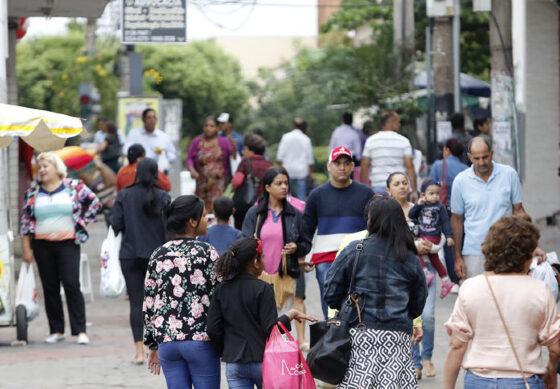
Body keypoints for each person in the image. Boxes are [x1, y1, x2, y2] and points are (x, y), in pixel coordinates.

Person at [444, 216, 560, 389]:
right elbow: (555, 346)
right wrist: (550, 372)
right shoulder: (540, 291)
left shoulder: (471, 288)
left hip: (479, 381)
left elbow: (457, 345)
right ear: (528, 256)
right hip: (524, 380)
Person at [324, 197, 427, 388]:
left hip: (360, 335)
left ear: (372, 220)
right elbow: (418, 303)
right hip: (397, 339)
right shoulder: (409, 257)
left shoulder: (355, 249)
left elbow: (330, 294)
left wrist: (348, 305)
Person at [207, 237, 317, 389]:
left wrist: (225, 351)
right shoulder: (263, 289)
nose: (265, 261)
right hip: (264, 361)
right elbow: (271, 330)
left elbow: (213, 329)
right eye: (263, 257)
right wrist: (289, 316)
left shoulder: (221, 290)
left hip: (235, 363)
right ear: (255, 262)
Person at [20, 152, 101, 345]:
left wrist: (80, 223)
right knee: (50, 287)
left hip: (67, 243)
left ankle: (80, 330)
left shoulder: (73, 187)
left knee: (72, 284)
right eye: (40, 167)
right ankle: (56, 330)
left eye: (46, 166)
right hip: (42, 245)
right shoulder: (32, 192)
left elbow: (95, 203)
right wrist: (26, 248)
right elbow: (25, 222)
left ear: (58, 168)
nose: (42, 170)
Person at [144, 195, 220, 389]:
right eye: (203, 216)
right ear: (192, 222)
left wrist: (153, 344)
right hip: (200, 340)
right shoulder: (207, 252)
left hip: (168, 343)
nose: (206, 221)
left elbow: (149, 303)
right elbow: (219, 294)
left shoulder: (158, 254)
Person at [450, 136, 545, 280]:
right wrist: (457, 257)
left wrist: (532, 246)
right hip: (474, 252)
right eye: (476, 158)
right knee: (476, 298)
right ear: (469, 157)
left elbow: (519, 212)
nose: (481, 162)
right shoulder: (460, 181)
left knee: (507, 297)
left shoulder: (509, 174)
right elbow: (457, 220)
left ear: (492, 154)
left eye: (485, 157)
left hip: (507, 249)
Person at [110, 158, 171, 364]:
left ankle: (138, 351)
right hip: (158, 257)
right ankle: (158, 348)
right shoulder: (163, 197)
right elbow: (170, 228)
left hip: (130, 255)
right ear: (156, 174)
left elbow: (115, 224)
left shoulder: (124, 195)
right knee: (159, 302)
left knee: (136, 303)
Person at [302, 146, 373, 319]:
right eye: (337, 163)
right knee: (331, 313)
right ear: (329, 166)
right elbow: (306, 229)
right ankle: (334, 345)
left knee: (359, 311)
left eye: (346, 163)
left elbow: (374, 227)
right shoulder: (316, 196)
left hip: (358, 259)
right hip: (326, 259)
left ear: (351, 167)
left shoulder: (366, 193)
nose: (342, 167)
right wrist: (302, 256)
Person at [386, 172, 442, 380]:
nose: (402, 186)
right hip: (398, 271)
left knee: (427, 315)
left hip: (426, 268)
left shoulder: (421, 209)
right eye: (396, 183)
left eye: (404, 182)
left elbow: (439, 234)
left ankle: (427, 356)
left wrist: (434, 246)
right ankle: (414, 362)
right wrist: (412, 246)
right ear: (388, 189)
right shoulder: (385, 213)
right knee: (408, 317)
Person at [242, 167, 311, 310]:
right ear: (267, 187)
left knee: (284, 323)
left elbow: (306, 244)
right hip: (259, 277)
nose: (284, 187)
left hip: (286, 278)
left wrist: (296, 248)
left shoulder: (295, 215)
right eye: (279, 183)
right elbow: (244, 242)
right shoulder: (255, 214)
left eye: (286, 183)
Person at [429, 138, 468, 286]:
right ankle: (464, 273)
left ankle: (455, 278)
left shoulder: (439, 165)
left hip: (443, 210)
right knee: (461, 241)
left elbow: (430, 186)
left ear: (447, 150)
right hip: (462, 211)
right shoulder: (465, 168)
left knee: (449, 243)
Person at [409, 179, 455, 298]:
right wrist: (418, 204)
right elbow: (411, 215)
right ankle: (446, 281)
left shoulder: (440, 207)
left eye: (437, 193)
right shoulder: (421, 205)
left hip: (433, 236)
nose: (435, 196)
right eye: (431, 193)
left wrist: (449, 236)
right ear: (423, 195)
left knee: (415, 249)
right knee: (435, 259)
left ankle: (425, 272)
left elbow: (445, 222)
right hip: (423, 235)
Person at [360, 111, 418, 197]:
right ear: (392, 122)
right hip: (398, 187)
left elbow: (364, 166)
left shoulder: (371, 141)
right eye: (398, 122)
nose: (399, 125)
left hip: (377, 187)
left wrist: (364, 190)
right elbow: (409, 166)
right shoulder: (403, 141)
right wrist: (414, 190)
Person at [187, 116, 235, 212]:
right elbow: (190, 159)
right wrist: (192, 170)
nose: (208, 128)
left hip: (218, 183)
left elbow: (233, 158)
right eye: (206, 126)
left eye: (212, 126)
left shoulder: (224, 142)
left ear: (217, 128)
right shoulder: (197, 141)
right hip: (201, 183)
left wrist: (233, 147)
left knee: (218, 208)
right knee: (201, 209)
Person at [231, 133, 272, 229]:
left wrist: (233, 188)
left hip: (245, 206)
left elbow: (237, 181)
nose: (243, 151)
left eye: (245, 149)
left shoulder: (245, 162)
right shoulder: (269, 164)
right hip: (264, 205)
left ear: (251, 150)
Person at [276, 117, 314, 200]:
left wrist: (279, 172)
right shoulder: (306, 139)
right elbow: (309, 160)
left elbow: (279, 157)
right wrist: (310, 174)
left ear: (294, 126)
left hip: (287, 171)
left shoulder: (285, 137)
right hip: (301, 173)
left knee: (285, 198)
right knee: (301, 200)